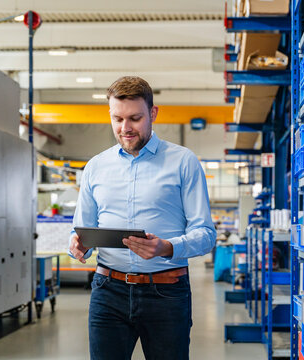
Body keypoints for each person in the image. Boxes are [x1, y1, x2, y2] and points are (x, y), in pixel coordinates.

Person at [68, 76, 216, 360]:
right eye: (117, 118)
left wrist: (167, 248)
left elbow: (206, 235)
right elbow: (82, 229)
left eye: (135, 118)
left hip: (166, 293)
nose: (125, 128)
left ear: (153, 113)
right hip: (107, 290)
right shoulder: (95, 167)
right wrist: (76, 244)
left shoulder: (183, 162)